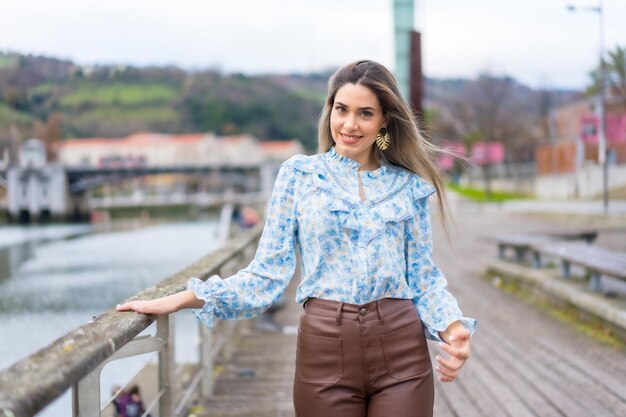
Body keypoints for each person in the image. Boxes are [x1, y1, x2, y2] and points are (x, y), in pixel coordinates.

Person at [117, 60, 476, 417]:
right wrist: (187, 297)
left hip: (402, 353)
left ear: (384, 120)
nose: (349, 124)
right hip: (325, 355)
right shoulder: (299, 176)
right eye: (341, 110)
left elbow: (423, 278)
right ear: (329, 110)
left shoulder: (409, 187)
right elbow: (268, 274)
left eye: (365, 113)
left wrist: (454, 328)